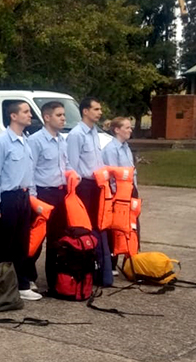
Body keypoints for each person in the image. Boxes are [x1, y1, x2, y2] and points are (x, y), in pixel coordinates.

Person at [0, 101, 41, 301]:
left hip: (23, 197)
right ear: (13, 116)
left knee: (21, 243)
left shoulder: (25, 140)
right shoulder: (2, 142)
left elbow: (29, 172)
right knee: (4, 246)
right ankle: (0, 286)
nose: (30, 115)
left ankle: (22, 283)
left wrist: (32, 198)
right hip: (7, 197)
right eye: (25, 112)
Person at [66, 97, 112, 281]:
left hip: (97, 184)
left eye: (100, 109)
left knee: (99, 225)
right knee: (86, 226)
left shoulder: (93, 133)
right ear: (85, 111)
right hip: (83, 185)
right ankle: (86, 265)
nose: (100, 112)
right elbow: (72, 164)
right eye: (96, 109)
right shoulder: (77, 134)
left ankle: (100, 268)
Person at [28, 101, 68, 293]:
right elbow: (30, 170)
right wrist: (34, 199)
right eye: (59, 115)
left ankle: (54, 280)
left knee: (57, 238)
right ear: (47, 117)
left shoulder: (62, 140)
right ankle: (28, 276)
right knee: (37, 237)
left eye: (63, 115)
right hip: (43, 194)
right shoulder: (36, 141)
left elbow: (64, 166)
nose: (63, 118)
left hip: (60, 192)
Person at [102, 116, 140, 266]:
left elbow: (131, 171)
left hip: (131, 189)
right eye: (127, 128)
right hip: (119, 193)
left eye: (130, 127)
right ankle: (112, 262)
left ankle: (132, 257)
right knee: (117, 227)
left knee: (133, 225)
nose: (130, 130)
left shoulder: (126, 147)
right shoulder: (111, 149)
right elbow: (113, 175)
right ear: (117, 130)